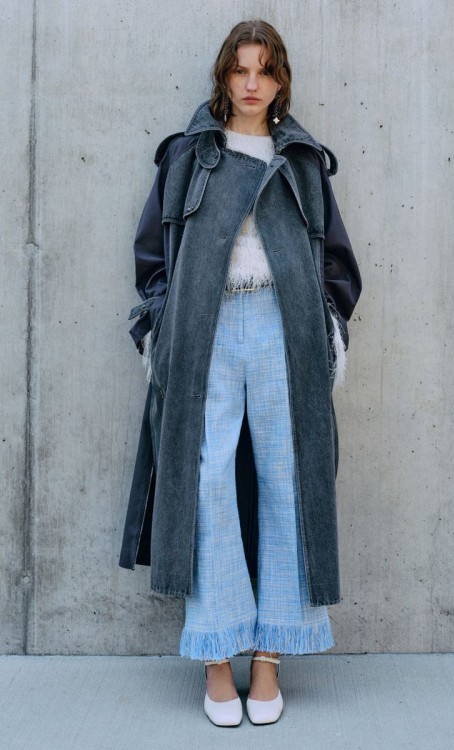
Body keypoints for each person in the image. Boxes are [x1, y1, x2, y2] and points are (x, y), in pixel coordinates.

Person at [119, 19, 362, 727]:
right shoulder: (190, 154)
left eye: (265, 70)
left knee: (290, 480)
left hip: (284, 331)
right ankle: (218, 657)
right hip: (208, 329)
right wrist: (161, 328)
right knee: (206, 482)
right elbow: (152, 255)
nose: (252, 83)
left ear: (281, 81)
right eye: (240, 69)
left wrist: (326, 332)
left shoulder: (301, 160)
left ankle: (271, 658)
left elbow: (334, 260)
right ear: (223, 76)